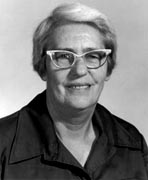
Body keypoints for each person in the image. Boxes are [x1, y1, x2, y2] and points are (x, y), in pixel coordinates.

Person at [0, 2, 148, 180]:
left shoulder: (132, 144)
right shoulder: (3, 145)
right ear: (43, 68)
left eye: (93, 56)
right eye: (63, 56)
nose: (79, 70)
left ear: (107, 69)